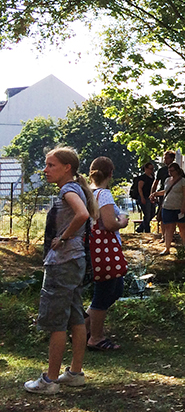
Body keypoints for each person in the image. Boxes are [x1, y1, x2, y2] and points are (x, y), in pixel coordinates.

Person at [24, 147, 97, 394]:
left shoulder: (68, 190)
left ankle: (50, 380)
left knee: (56, 320)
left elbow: (82, 214)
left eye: (51, 165)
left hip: (63, 263)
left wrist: (63, 238)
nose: (45, 170)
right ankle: (74, 373)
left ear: (67, 168)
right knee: (75, 315)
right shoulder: (75, 188)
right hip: (75, 262)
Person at [85, 156, 131, 352]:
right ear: (111, 173)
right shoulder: (103, 194)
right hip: (105, 250)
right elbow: (109, 223)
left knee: (115, 288)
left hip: (94, 249)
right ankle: (96, 337)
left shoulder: (87, 192)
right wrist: (122, 221)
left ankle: (82, 326)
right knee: (104, 292)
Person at [154, 161, 185, 255]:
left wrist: (183, 207)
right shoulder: (167, 180)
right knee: (169, 227)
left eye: (172, 170)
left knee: (181, 226)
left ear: (177, 171)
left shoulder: (184, 181)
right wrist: (156, 193)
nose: (170, 172)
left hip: (178, 208)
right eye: (169, 171)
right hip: (167, 207)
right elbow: (166, 191)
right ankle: (167, 248)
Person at [151, 151, 176, 236]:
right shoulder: (161, 170)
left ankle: (171, 234)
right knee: (162, 215)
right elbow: (156, 182)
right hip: (163, 194)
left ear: (172, 159)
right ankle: (163, 235)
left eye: (167, 158)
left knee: (173, 215)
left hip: (174, 195)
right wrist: (152, 194)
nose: (165, 160)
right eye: (164, 158)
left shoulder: (178, 170)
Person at [136, 161, 156, 233]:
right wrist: (142, 198)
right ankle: (147, 230)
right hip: (144, 197)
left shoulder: (152, 177)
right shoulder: (142, 178)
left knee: (152, 213)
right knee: (147, 214)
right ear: (146, 169)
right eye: (150, 168)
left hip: (150, 197)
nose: (151, 170)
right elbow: (140, 188)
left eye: (152, 169)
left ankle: (140, 228)